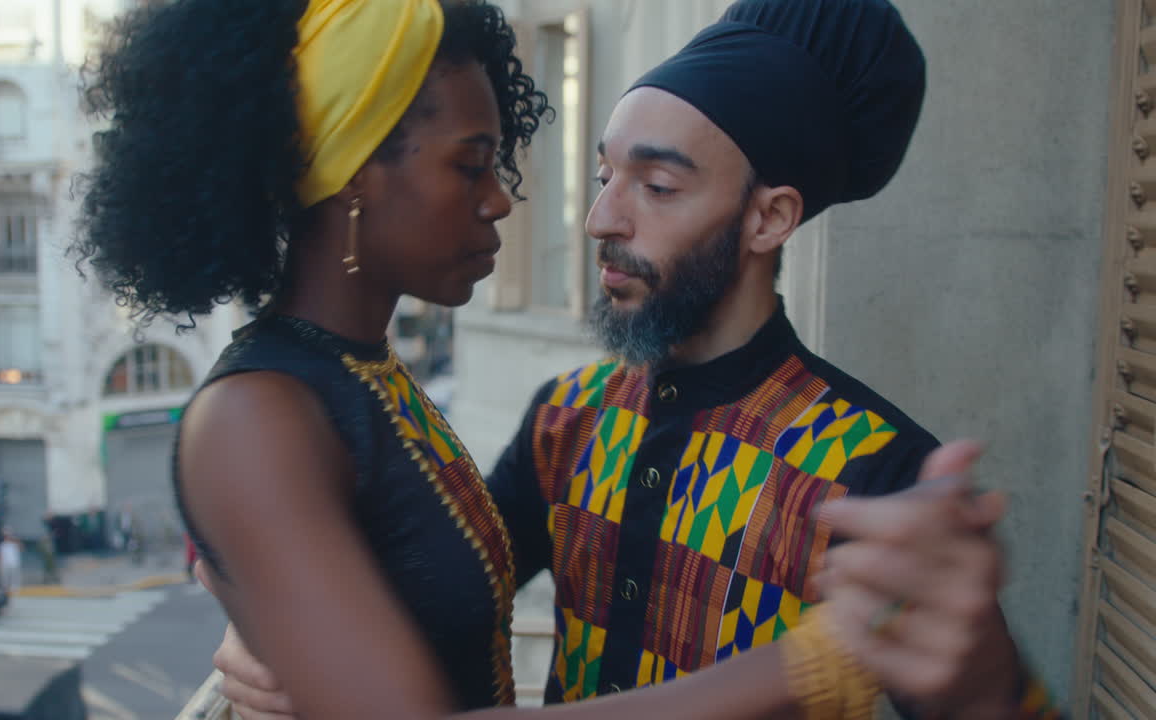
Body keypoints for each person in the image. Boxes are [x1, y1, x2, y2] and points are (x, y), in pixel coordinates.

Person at [208, 0, 1063, 719]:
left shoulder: (876, 472)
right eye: (605, 176)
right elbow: (433, 579)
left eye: (656, 188)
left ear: (768, 219)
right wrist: (283, 611)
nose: (601, 222)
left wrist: (988, 678)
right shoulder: (567, 417)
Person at [0, 527, 22, 594]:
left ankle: (15, 589)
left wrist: (15, 539)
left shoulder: (14, 544)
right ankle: (5, 590)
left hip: (14, 564)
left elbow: (21, 547)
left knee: (14, 577)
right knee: (5, 578)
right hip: (5, 564)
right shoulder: (1, 545)